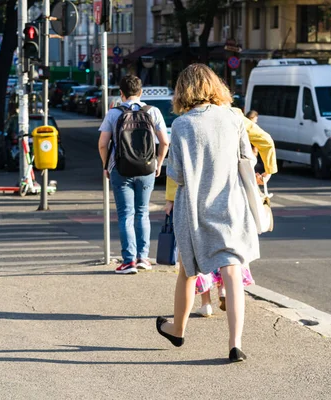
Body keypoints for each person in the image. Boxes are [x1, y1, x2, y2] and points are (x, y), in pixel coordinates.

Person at [156, 64, 260, 362]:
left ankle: (177, 329)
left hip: (195, 210)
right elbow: (247, 159)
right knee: (232, 271)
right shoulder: (233, 118)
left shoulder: (182, 125)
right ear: (215, 86)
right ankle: (235, 343)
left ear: (184, 90)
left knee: (188, 270)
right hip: (231, 204)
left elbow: (177, 174)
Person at [169, 108, 277, 317]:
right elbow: (265, 140)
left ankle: (205, 302)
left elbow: (177, 170)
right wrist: (268, 171)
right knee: (229, 256)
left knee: (197, 255)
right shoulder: (234, 115)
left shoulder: (184, 121)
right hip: (229, 197)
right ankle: (226, 293)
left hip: (196, 198)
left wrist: (170, 197)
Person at [98, 75, 170, 274]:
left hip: (121, 169)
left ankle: (128, 261)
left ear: (121, 93)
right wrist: (159, 163)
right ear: (141, 92)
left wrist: (106, 164)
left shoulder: (114, 113)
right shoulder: (152, 112)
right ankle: (143, 258)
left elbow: (103, 143)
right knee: (142, 212)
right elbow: (164, 141)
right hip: (147, 168)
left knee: (125, 215)